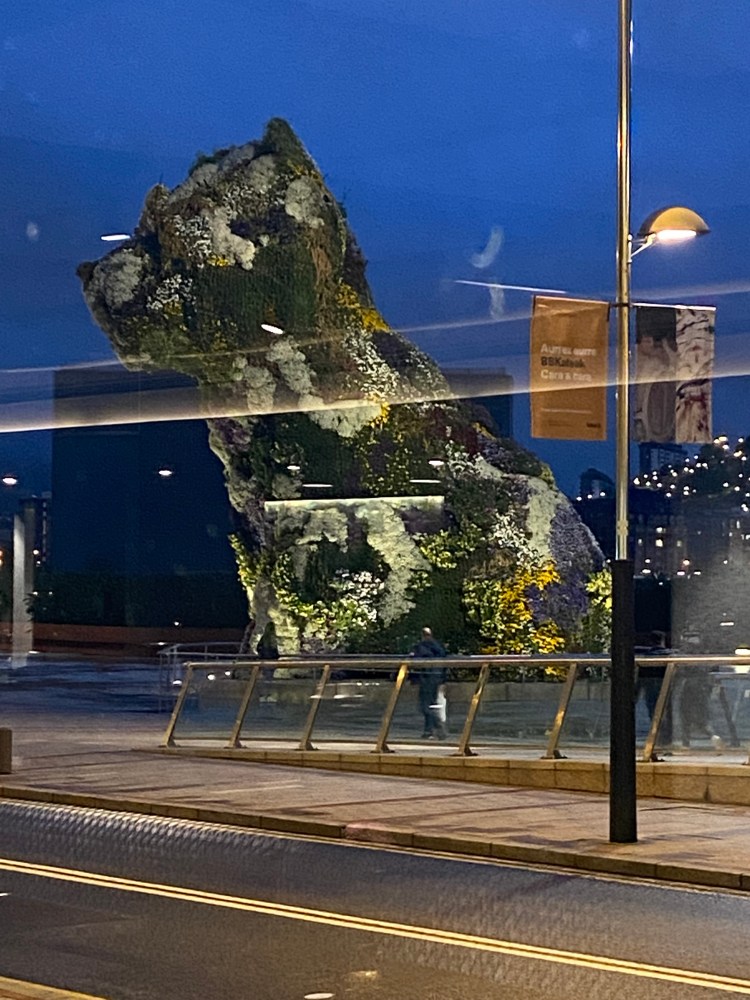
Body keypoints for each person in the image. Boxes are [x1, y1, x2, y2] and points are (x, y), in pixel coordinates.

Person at [635, 630, 673, 748]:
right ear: (662, 641)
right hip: (665, 689)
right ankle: (666, 741)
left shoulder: (647, 657)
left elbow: (641, 677)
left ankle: (657, 739)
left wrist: (637, 693)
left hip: (650, 691)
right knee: (666, 715)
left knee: (654, 715)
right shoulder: (668, 656)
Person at [410, 627, 448, 740]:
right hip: (437, 679)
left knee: (425, 706)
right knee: (431, 705)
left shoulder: (421, 647)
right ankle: (430, 729)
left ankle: (435, 727)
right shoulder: (439, 647)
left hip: (426, 679)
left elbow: (416, 663)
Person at [256, 621, 280, 702]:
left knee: (265, 678)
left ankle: (263, 695)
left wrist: (261, 655)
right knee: (269, 678)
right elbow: (275, 650)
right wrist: (277, 657)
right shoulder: (273, 639)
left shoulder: (264, 638)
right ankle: (268, 695)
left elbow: (258, 648)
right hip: (272, 661)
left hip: (264, 660)